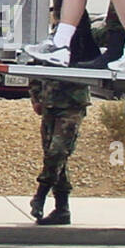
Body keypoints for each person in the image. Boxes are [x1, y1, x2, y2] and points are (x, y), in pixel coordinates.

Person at [28, 73, 90, 225]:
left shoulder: (78, 49)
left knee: (58, 152)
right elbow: (36, 68)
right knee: (53, 157)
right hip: (49, 104)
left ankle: (40, 194)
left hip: (72, 104)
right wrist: (36, 98)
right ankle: (62, 209)